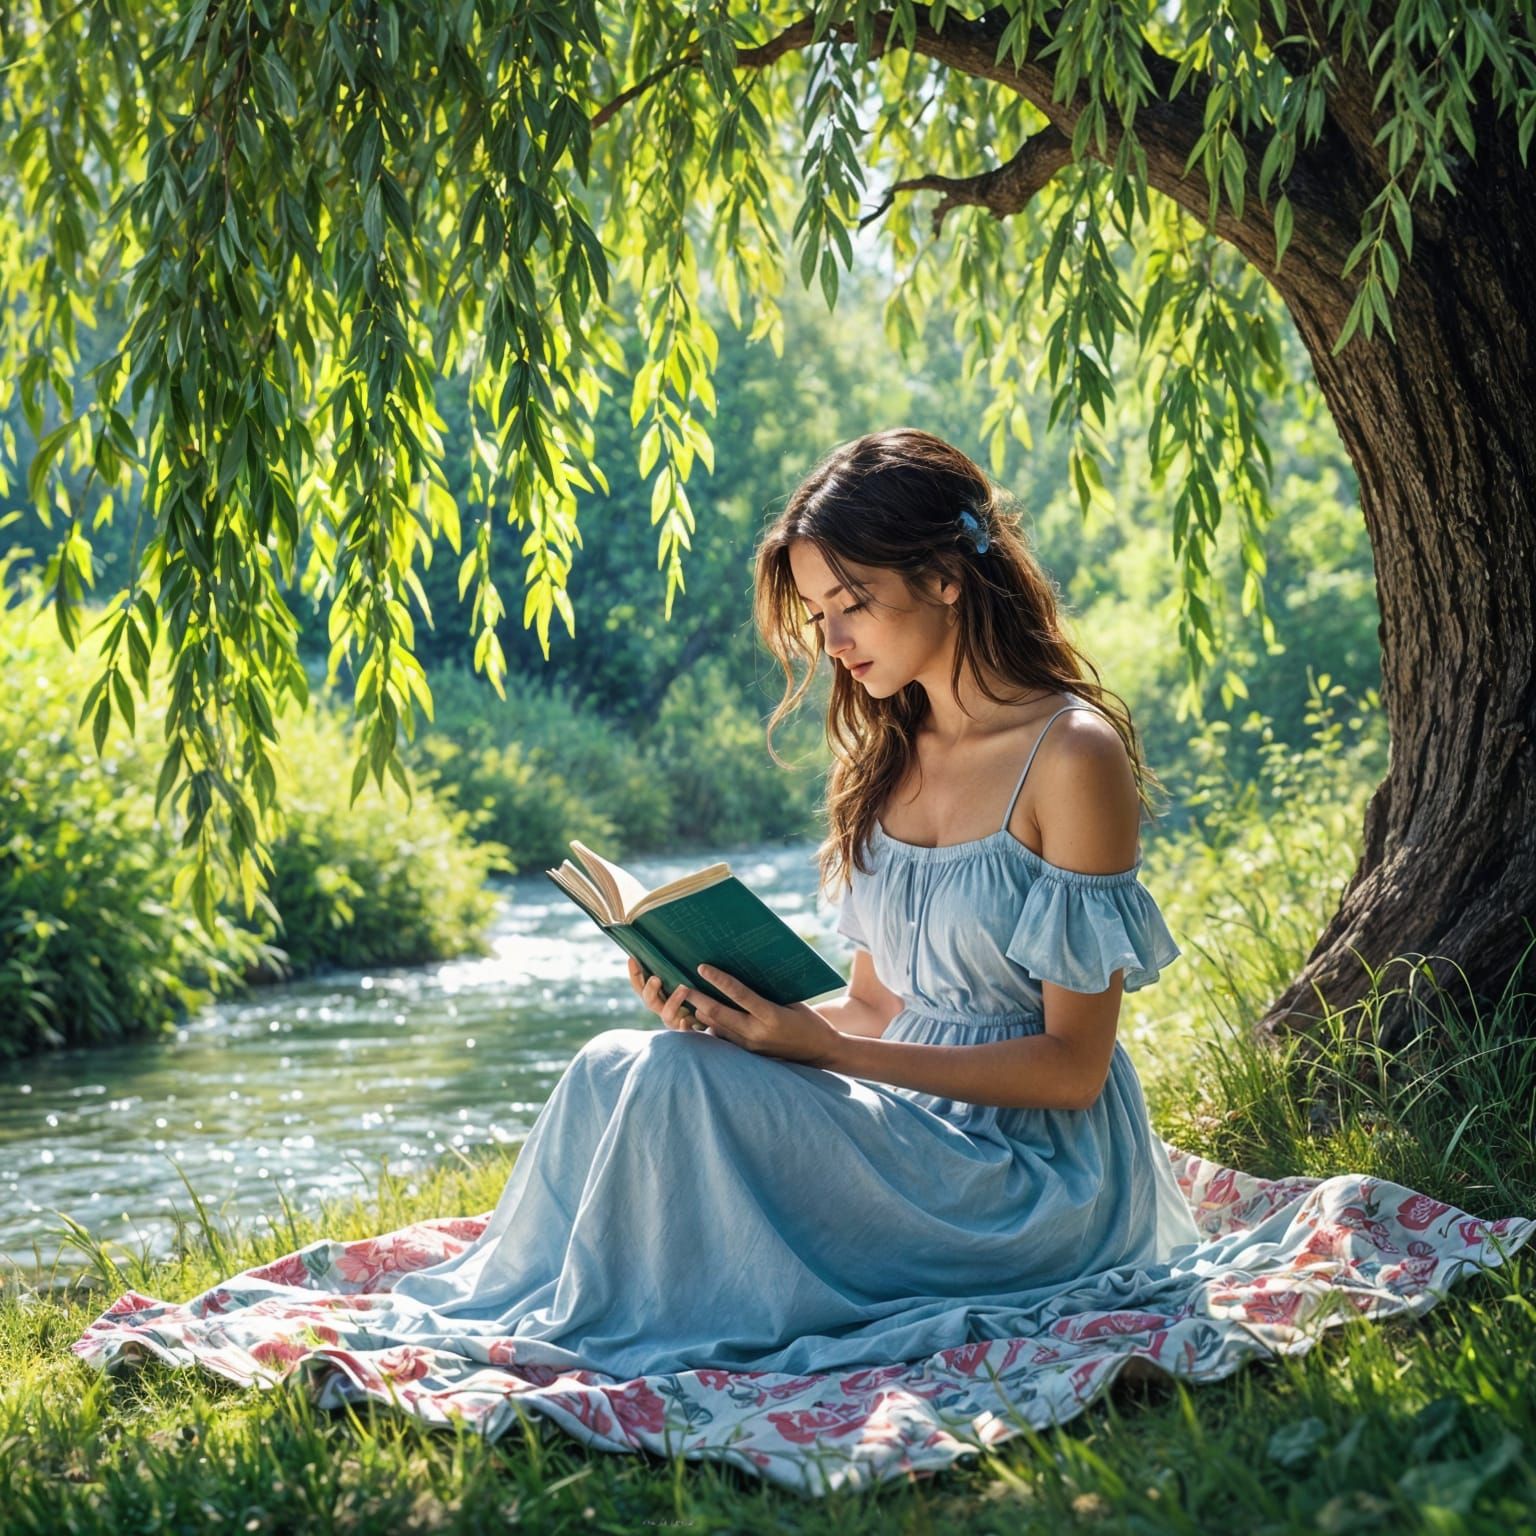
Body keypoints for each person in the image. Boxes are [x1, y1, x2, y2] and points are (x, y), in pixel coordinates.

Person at [374, 427, 1200, 1379]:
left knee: (676, 1085)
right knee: (624, 1060)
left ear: (945, 576)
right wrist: (732, 1017)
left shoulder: (1071, 755)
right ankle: (540, 1305)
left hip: (1036, 1179)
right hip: (912, 1122)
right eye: (817, 613)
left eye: (851, 605)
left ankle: (599, 1333)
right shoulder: (888, 756)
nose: (833, 642)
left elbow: (1072, 1071)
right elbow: (876, 1006)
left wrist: (831, 1052)